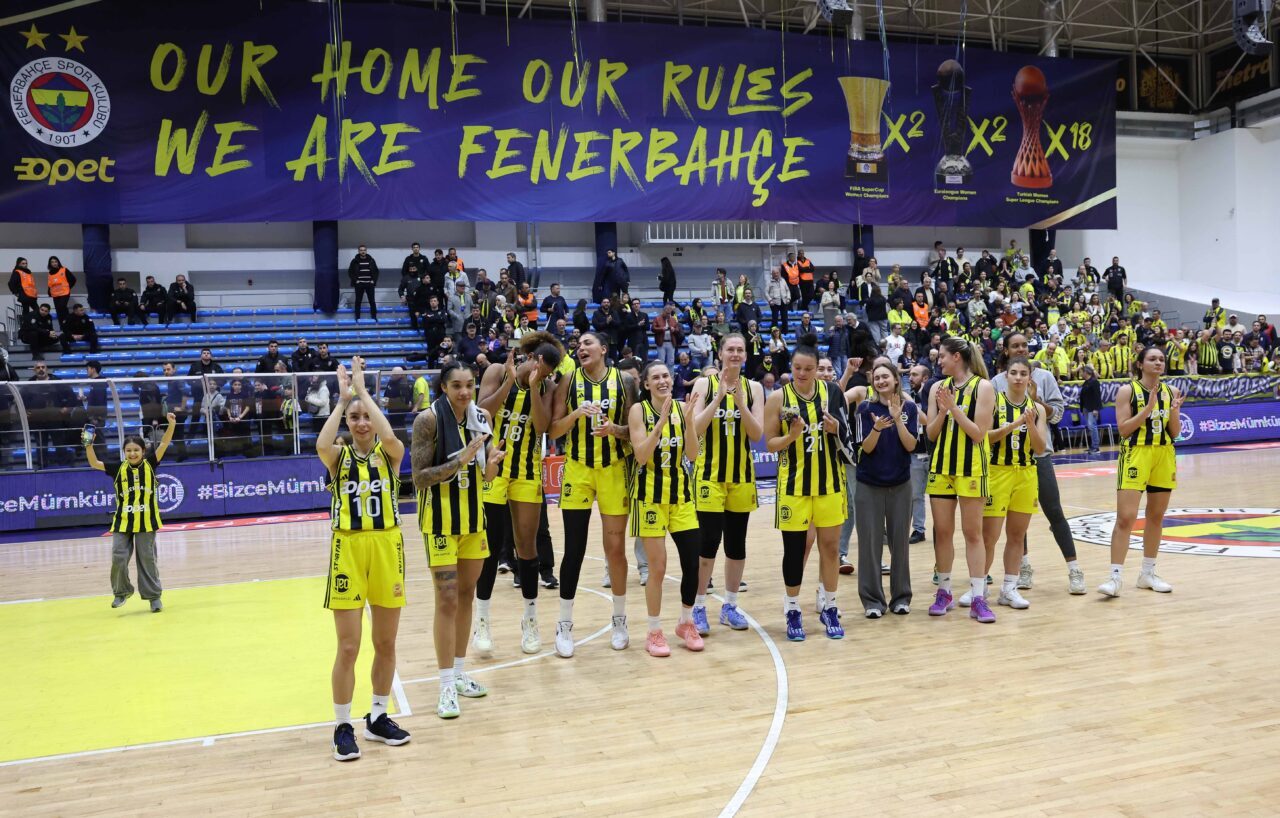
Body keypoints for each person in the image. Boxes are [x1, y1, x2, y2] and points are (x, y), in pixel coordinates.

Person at [313, 357, 410, 761]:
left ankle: (378, 717)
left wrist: (365, 394)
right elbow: (321, 445)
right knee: (349, 646)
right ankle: (342, 725)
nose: (361, 422)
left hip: (387, 545)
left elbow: (389, 436)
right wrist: (342, 401)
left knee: (385, 642)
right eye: (355, 418)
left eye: (366, 416)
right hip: (348, 549)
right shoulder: (338, 457)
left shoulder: (391, 453)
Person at [411, 360, 507, 719]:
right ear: (443, 387)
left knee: (467, 595)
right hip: (439, 523)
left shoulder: (482, 417)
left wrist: (492, 464)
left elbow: (486, 476)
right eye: (457, 386)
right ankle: (445, 685)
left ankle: (459, 671)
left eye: (469, 385)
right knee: (447, 599)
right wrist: (459, 461)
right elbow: (418, 477)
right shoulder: (428, 420)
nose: (465, 392)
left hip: (473, 522)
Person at [473, 333, 563, 657]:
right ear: (531, 358)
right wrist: (510, 383)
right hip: (494, 467)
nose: (543, 374)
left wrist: (536, 388)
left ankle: (530, 619)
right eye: (541, 367)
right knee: (490, 545)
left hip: (526, 471)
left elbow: (541, 428)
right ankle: (482, 620)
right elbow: (480, 413)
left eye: (549, 372)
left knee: (527, 545)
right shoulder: (498, 371)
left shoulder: (547, 387)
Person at [547, 332, 637, 658]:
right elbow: (554, 429)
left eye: (588, 343)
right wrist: (575, 415)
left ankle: (620, 620)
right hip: (578, 469)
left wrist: (614, 429)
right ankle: (564, 625)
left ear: (603, 348)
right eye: (579, 345)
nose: (581, 348)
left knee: (615, 550)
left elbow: (635, 430)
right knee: (574, 549)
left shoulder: (625, 381)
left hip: (613, 468)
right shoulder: (569, 380)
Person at [629, 361, 719, 656]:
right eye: (655, 377)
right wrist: (660, 423)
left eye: (666, 375)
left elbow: (692, 454)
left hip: (681, 498)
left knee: (692, 564)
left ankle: (685, 622)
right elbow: (641, 456)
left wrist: (689, 420)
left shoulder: (683, 408)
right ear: (646, 384)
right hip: (650, 499)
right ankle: (654, 631)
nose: (662, 381)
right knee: (657, 568)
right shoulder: (638, 411)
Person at [765, 336, 849, 641]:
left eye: (808, 368)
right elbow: (770, 444)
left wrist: (836, 429)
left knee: (831, 548)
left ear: (817, 369)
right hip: (794, 486)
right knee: (795, 550)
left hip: (830, 484)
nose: (802, 373)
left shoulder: (833, 392)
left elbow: (848, 434)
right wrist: (791, 436)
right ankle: (792, 608)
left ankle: (830, 606)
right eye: (797, 367)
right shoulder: (778, 398)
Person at [994, 333, 1086, 594]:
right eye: (1015, 345)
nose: (1021, 348)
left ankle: (1075, 569)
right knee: (1016, 518)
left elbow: (1057, 415)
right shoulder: (996, 383)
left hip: (1039, 456)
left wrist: (1036, 401)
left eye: (1024, 345)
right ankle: (1023, 567)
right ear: (1006, 350)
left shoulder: (1044, 377)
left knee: (1054, 511)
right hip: (1008, 459)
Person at [687, 335, 765, 635]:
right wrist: (718, 398)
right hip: (709, 476)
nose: (735, 354)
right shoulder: (703, 385)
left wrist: (741, 403)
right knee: (707, 544)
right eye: (730, 349)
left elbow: (756, 434)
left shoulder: (754, 388)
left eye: (740, 350)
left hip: (742, 477)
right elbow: (695, 429)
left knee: (736, 544)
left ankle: (730, 605)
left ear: (745, 355)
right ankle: (698, 606)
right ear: (719, 354)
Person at [1099, 347, 1182, 597]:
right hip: (1136, 454)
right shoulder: (1127, 391)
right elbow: (1124, 429)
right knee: (1126, 517)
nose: (1158, 363)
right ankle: (1114, 578)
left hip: (1164, 454)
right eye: (1152, 359)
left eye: (1161, 359)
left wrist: (1174, 410)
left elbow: (1175, 432)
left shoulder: (1172, 391)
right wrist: (1147, 409)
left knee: (1156, 516)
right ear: (1140, 364)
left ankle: (1147, 573)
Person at [925, 337, 996, 623]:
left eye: (942, 356)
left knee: (972, 533)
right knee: (942, 532)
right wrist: (943, 411)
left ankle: (978, 597)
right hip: (942, 467)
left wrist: (954, 408)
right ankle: (944, 591)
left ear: (956, 357)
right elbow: (931, 434)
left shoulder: (983, 387)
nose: (939, 360)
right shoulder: (936, 388)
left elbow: (978, 434)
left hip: (972, 468)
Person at [84, 412, 178, 613]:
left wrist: (171, 425)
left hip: (147, 521)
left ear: (143, 451)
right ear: (124, 452)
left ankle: (154, 597)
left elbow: (164, 443)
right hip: (123, 521)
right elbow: (94, 463)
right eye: (128, 450)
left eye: (136, 450)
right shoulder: (117, 468)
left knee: (147, 560)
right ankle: (122, 592)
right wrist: (88, 444)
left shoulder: (151, 463)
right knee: (118, 556)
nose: (132, 453)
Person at [977, 356, 1046, 613]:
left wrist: (1030, 425)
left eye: (1023, 373)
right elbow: (984, 437)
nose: (1018, 377)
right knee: (989, 536)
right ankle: (979, 588)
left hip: (1026, 474)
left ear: (1029, 377)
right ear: (1006, 376)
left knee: (1017, 536)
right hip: (997, 472)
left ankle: (1009, 588)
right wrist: (1014, 425)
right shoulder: (994, 402)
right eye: (1014, 372)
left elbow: (1040, 448)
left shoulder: (1037, 409)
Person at [855, 362, 918, 617]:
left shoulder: (909, 408)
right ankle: (872, 602)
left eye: (885, 377)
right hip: (868, 485)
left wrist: (897, 419)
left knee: (900, 544)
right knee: (870, 546)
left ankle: (901, 598)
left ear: (895, 380)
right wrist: (877, 428)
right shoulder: (865, 408)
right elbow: (866, 448)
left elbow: (911, 445)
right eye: (877, 378)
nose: (881, 381)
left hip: (901, 485)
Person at [348, 244, 379, 322]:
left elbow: (376, 271)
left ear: (366, 251)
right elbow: (350, 272)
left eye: (364, 250)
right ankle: (357, 317)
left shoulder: (371, 260)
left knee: (372, 301)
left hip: (369, 284)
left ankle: (374, 317)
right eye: (361, 250)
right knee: (358, 301)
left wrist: (373, 281)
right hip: (359, 284)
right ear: (358, 251)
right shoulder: (354, 261)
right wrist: (356, 281)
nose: (363, 251)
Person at [46, 256, 75, 327]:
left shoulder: (64, 270)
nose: (54, 263)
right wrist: (49, 292)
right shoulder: (50, 273)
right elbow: (50, 284)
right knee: (58, 310)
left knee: (62, 307)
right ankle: (62, 326)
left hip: (64, 293)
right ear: (50, 264)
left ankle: (68, 325)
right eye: (52, 262)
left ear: (58, 262)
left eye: (56, 261)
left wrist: (68, 287)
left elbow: (73, 279)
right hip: (55, 294)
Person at [1079, 365, 1102, 453]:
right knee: (1090, 427)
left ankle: (1096, 447)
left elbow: (1097, 396)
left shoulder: (1094, 382)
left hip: (1092, 408)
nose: (1081, 374)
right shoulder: (1086, 382)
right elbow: (1083, 396)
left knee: (1092, 426)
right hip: (1086, 407)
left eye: (1082, 372)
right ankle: (1092, 446)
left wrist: (1096, 409)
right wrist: (1082, 408)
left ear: (1086, 372)